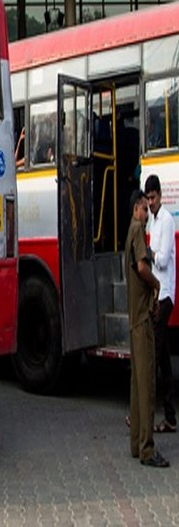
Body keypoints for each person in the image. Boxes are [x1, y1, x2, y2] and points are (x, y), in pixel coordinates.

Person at [127, 188, 168, 467]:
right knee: (147, 385)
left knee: (136, 384)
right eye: (144, 207)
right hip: (143, 319)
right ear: (137, 208)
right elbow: (142, 267)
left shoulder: (129, 231)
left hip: (133, 319)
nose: (147, 212)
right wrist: (156, 284)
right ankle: (147, 448)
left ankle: (135, 443)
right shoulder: (138, 229)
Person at [147, 174, 177, 432]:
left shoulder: (166, 220)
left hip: (165, 295)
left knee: (153, 357)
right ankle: (170, 417)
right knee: (164, 358)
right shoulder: (153, 220)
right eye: (148, 199)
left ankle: (142, 415)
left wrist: (150, 255)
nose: (151, 202)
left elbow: (164, 260)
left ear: (160, 195)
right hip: (157, 295)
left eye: (153, 197)